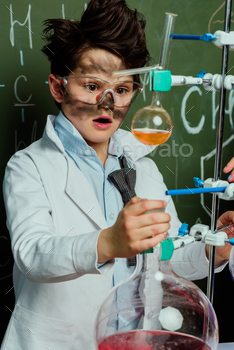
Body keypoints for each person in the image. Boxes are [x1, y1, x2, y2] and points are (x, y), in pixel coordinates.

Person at [1, 1, 234, 349]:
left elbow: (166, 259)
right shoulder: (29, 166)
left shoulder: (144, 168)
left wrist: (215, 249)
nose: (106, 103)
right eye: (92, 86)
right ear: (58, 87)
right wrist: (108, 242)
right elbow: (33, 255)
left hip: (135, 341)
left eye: (122, 90)